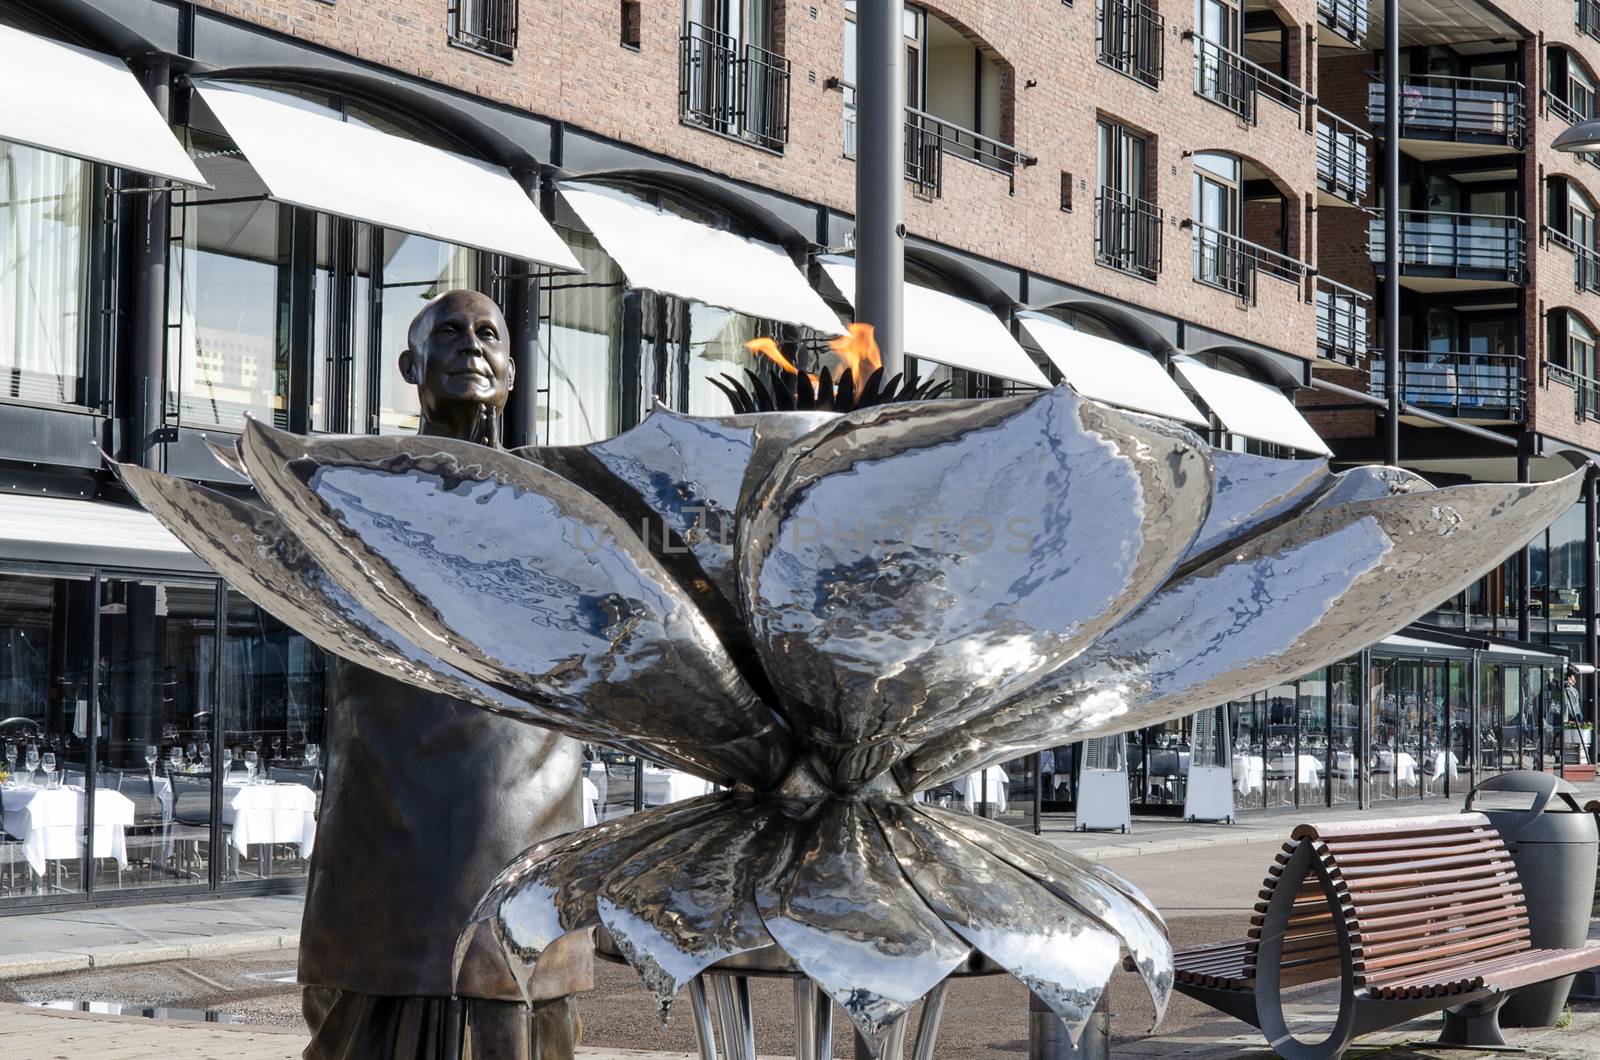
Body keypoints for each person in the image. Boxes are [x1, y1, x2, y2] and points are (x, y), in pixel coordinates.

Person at [299, 290, 591, 1060]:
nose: (470, 346)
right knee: (372, 998)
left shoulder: (555, 502)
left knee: (514, 996)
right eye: (449, 333)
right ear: (411, 365)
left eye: (486, 334)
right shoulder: (353, 487)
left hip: (522, 793)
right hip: (389, 790)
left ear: (512, 371)